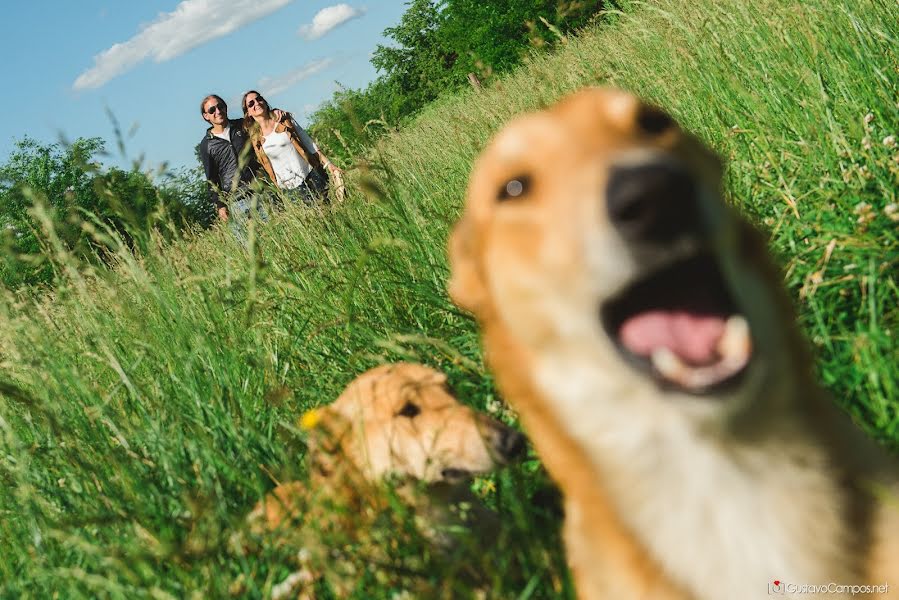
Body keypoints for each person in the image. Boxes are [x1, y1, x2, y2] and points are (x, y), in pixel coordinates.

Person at [241, 90, 343, 205]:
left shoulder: (284, 120)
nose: (257, 103)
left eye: (259, 99)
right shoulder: (255, 139)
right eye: (251, 104)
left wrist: (328, 164)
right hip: (289, 189)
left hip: (311, 174)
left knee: (330, 213)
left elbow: (308, 142)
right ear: (248, 112)